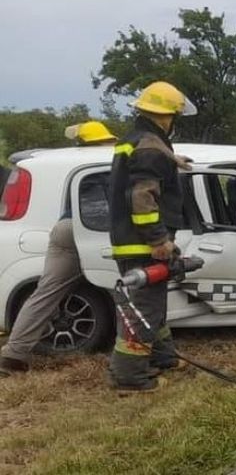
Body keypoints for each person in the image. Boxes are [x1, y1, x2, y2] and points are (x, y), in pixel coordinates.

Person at [0, 122, 117, 377]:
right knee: (126, 284)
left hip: (65, 230)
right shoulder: (107, 163)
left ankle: (13, 354)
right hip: (95, 229)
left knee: (47, 292)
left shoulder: (72, 164)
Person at [107, 81, 196, 392]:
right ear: (164, 116)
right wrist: (158, 240)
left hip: (133, 240)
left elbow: (146, 170)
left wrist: (174, 161)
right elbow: (142, 197)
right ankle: (129, 377)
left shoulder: (140, 140)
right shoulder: (149, 147)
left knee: (154, 306)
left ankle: (162, 358)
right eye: (174, 117)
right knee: (143, 309)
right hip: (141, 243)